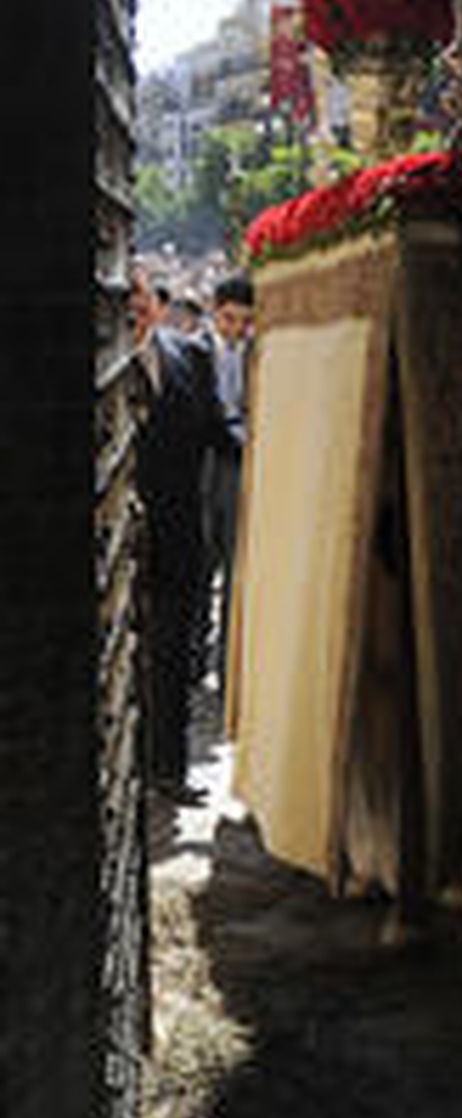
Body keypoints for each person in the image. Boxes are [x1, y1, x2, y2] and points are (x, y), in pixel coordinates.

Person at [131, 265, 232, 801]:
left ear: (154, 301)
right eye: (122, 297)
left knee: (170, 658)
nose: (133, 306)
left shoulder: (190, 355)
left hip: (177, 538)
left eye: (139, 295)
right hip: (112, 546)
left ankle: (168, 770)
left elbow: (218, 430)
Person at [199, 272, 253, 691]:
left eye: (243, 321)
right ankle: (195, 663)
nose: (236, 329)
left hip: (239, 466)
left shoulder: (256, 353)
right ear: (214, 312)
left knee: (236, 565)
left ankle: (229, 668)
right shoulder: (197, 352)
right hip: (204, 464)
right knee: (201, 562)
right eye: (229, 319)